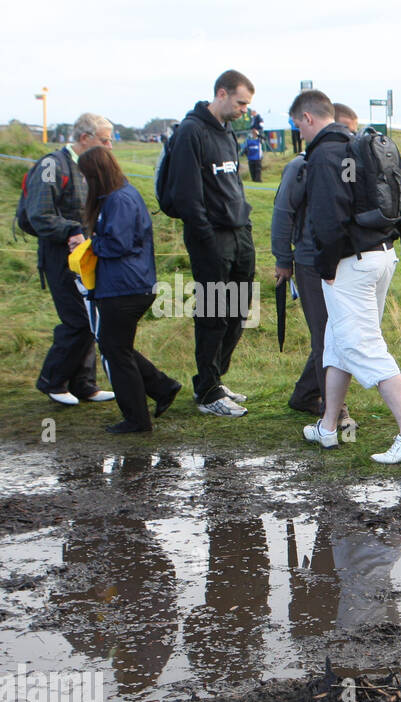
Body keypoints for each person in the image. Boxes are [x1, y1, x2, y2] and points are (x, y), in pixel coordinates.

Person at [294, 88, 401, 465]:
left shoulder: (324, 155)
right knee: (338, 340)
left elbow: (328, 220)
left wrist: (325, 268)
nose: (299, 134)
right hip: (382, 254)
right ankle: (328, 427)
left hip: (351, 262)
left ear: (308, 118)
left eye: (297, 126)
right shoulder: (355, 144)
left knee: (363, 346)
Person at [167, 69, 257, 417]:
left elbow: (233, 183)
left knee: (239, 309)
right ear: (221, 93)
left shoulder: (228, 131)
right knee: (213, 312)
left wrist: (244, 225)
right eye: (240, 103)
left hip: (240, 233)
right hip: (211, 238)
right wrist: (205, 236)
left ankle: (215, 378)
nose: (244, 110)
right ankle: (206, 391)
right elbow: (187, 194)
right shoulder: (191, 131)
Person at [78, 147, 182, 433]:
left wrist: (91, 244)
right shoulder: (117, 196)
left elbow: (118, 244)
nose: (84, 182)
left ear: (97, 174)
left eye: (86, 177)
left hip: (125, 287)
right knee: (117, 346)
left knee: (115, 350)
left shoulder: (119, 199)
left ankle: (138, 418)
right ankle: (162, 388)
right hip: (125, 284)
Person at [270, 102, 356, 429]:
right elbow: (282, 213)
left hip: (342, 259)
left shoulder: (348, 157)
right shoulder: (302, 165)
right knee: (325, 334)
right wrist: (282, 260)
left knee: (332, 332)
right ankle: (336, 411)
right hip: (308, 260)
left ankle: (306, 394)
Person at [31, 113, 115, 407]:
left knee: (89, 318)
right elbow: (39, 215)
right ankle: (52, 380)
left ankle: (85, 384)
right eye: (105, 140)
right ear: (84, 138)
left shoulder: (90, 168)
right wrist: (71, 230)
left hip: (87, 255)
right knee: (77, 320)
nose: (110, 147)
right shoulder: (52, 165)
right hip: (59, 255)